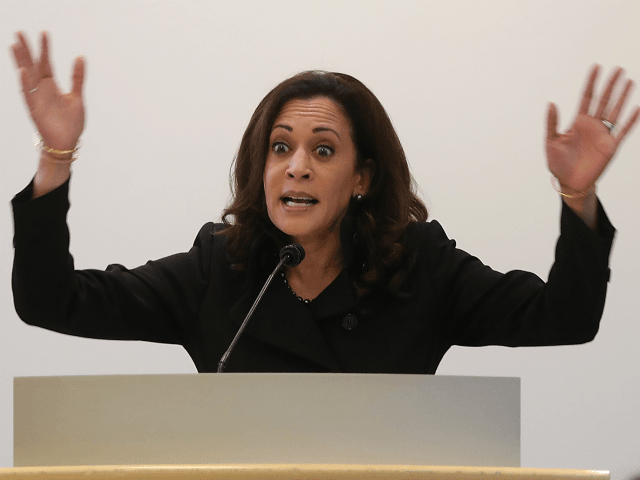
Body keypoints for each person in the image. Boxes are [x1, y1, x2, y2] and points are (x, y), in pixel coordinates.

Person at [10, 32, 639, 373]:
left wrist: (577, 195)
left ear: (362, 177)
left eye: (324, 151)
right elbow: (51, 301)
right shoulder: (219, 270)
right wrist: (54, 160)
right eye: (280, 147)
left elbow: (565, 319)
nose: (297, 167)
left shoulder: (421, 270)